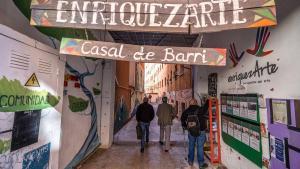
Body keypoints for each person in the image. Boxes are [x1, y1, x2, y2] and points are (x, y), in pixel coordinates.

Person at [181, 98, 209, 169]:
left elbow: (182, 119)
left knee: (191, 146)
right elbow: (206, 107)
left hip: (191, 131)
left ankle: (190, 162)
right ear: (196, 103)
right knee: (200, 147)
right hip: (201, 131)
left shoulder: (186, 111)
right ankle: (201, 164)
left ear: (190, 103)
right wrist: (208, 100)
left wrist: (185, 126)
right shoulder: (200, 109)